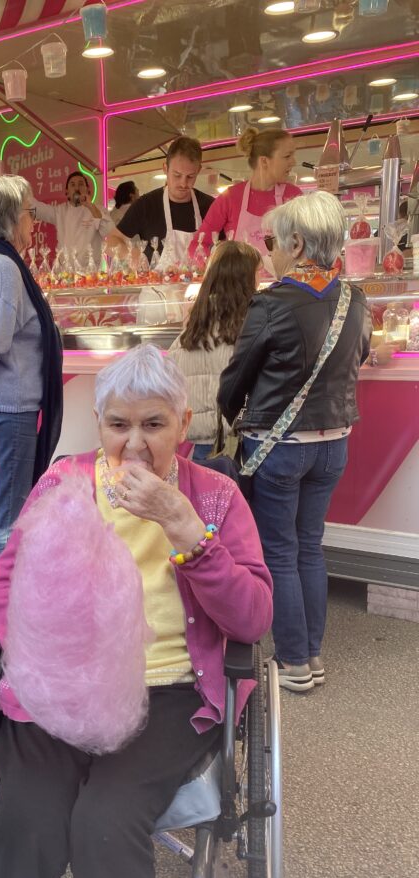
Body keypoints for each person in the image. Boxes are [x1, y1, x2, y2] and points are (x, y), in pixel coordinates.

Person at [0, 344, 272, 878]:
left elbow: (253, 617)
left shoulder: (214, 498)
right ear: (99, 423)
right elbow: (5, 592)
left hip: (168, 692)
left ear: (184, 425)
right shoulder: (64, 483)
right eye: (118, 425)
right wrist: (45, 650)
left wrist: (187, 532)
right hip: (60, 685)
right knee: (25, 820)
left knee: (106, 825)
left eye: (153, 424)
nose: (134, 444)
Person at [218, 191, 371, 692]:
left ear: (298, 243)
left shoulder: (271, 302)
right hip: (335, 443)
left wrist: (230, 415)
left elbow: (237, 377)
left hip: (279, 446)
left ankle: (292, 662)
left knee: (280, 550)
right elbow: (360, 356)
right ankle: (311, 654)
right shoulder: (355, 299)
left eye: (274, 242)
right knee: (309, 545)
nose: (271, 252)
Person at [0, 174, 64, 584]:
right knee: (9, 520)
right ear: (8, 218)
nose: (33, 222)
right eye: (29, 212)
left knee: (9, 514)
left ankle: (3, 602)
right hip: (9, 409)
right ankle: (1, 609)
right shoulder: (3, 268)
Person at [168, 241, 261, 462]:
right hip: (243, 441)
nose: (261, 279)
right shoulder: (252, 327)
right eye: (259, 272)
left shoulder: (191, 330)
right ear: (246, 277)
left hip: (202, 445)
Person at [194, 127, 302, 274]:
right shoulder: (230, 198)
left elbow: (311, 245)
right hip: (240, 286)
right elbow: (197, 245)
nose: (293, 162)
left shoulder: (294, 197)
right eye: (287, 156)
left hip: (285, 286)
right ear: (264, 161)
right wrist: (219, 271)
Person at [117, 136, 215, 262]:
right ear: (165, 169)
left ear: (199, 170)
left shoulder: (212, 206)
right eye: (177, 175)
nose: (183, 183)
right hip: (155, 274)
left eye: (190, 176)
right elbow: (112, 240)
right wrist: (133, 256)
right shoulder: (145, 205)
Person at [33, 170, 125, 260]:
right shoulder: (59, 211)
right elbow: (37, 209)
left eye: (81, 184)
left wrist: (91, 206)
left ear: (87, 190)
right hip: (65, 268)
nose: (77, 188)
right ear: (67, 192)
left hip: (91, 269)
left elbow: (109, 231)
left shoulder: (98, 209)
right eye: (72, 185)